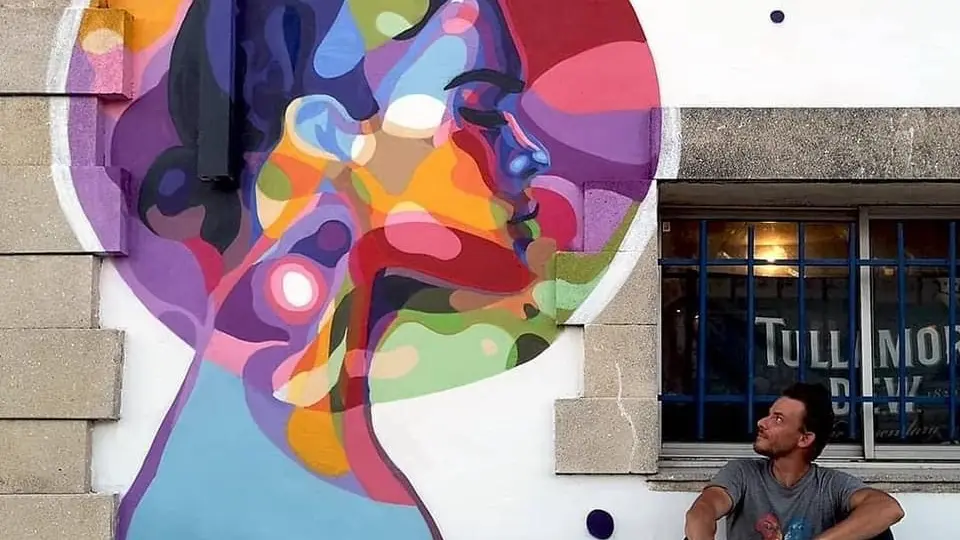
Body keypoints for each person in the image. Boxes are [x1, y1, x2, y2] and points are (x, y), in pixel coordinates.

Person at [684, 382, 905, 540]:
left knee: (878, 535)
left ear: (805, 438)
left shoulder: (829, 485)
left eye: (778, 419)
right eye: (769, 414)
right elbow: (703, 510)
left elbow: (888, 508)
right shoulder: (742, 473)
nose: (762, 422)